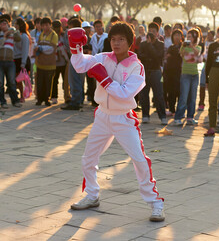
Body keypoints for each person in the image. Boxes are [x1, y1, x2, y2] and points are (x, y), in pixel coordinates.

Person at [69, 22, 165, 222]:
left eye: (121, 39)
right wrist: (75, 49)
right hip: (102, 115)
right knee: (88, 158)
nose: (116, 43)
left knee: (139, 159)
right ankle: (92, 195)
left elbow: (124, 94)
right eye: (113, 39)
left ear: (129, 42)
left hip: (124, 117)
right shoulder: (103, 58)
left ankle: (156, 203)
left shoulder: (137, 68)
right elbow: (79, 65)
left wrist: (104, 80)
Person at [138, 22, 167, 125]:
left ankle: (162, 116)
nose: (151, 33)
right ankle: (145, 115)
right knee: (144, 94)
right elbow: (140, 55)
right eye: (149, 30)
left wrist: (150, 46)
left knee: (159, 95)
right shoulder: (142, 44)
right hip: (145, 71)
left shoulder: (160, 44)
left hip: (156, 71)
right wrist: (148, 54)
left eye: (153, 31)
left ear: (157, 33)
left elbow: (157, 56)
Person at [174, 28, 201, 126]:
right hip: (185, 74)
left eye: (190, 37)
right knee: (184, 97)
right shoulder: (183, 47)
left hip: (195, 74)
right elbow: (181, 54)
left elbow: (197, 53)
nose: (188, 38)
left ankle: (190, 117)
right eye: (187, 36)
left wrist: (192, 46)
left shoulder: (198, 47)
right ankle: (178, 117)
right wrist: (184, 46)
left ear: (195, 38)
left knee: (193, 97)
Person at [0, 18, 22, 108]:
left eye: (5, 23)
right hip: (0, 62)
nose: (4, 25)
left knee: (12, 82)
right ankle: (3, 102)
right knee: (0, 83)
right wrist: (4, 36)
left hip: (10, 62)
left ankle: (15, 101)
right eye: (2, 24)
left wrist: (12, 30)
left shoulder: (12, 35)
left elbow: (19, 38)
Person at [61, 17, 85, 110]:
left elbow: (67, 45)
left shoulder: (71, 34)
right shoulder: (83, 33)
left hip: (74, 57)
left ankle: (75, 102)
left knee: (74, 80)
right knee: (80, 80)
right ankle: (79, 100)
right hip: (81, 58)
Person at [34, 17, 58, 106]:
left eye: (46, 25)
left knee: (48, 82)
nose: (45, 27)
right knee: (39, 82)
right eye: (43, 25)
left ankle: (47, 99)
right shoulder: (41, 35)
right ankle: (39, 99)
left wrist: (40, 48)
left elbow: (51, 49)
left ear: (50, 25)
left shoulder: (54, 35)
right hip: (40, 63)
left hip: (50, 64)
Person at [51, 20, 70, 104]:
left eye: (58, 27)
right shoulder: (51, 36)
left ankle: (67, 96)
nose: (56, 29)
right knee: (54, 81)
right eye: (54, 28)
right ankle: (54, 97)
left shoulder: (64, 36)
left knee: (66, 82)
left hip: (64, 62)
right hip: (54, 63)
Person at [165, 29, 184, 115]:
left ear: (181, 37)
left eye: (178, 35)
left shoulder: (183, 47)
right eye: (175, 35)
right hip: (170, 72)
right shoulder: (171, 47)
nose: (177, 37)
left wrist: (173, 55)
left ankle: (180, 111)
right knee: (171, 91)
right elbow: (168, 57)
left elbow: (180, 56)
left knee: (179, 91)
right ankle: (172, 109)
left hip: (180, 72)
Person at [14, 18, 31, 102]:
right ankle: (18, 95)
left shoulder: (24, 36)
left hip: (21, 60)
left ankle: (23, 95)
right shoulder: (15, 34)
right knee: (16, 79)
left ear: (20, 25)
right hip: (14, 59)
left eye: (16, 24)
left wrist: (23, 63)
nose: (14, 26)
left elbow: (25, 50)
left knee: (22, 79)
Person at [198, 30, 215, 111]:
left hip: (213, 66)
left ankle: (213, 104)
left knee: (212, 86)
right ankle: (201, 103)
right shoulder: (203, 43)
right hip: (205, 65)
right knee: (202, 85)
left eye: (211, 35)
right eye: (208, 35)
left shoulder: (215, 44)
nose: (209, 36)